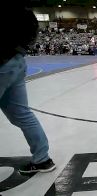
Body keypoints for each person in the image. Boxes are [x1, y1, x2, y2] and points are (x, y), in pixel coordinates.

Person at [0, 5, 56, 174]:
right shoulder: (25, 14)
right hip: (17, 61)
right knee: (22, 114)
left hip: (2, 62)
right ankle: (42, 159)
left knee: (22, 115)